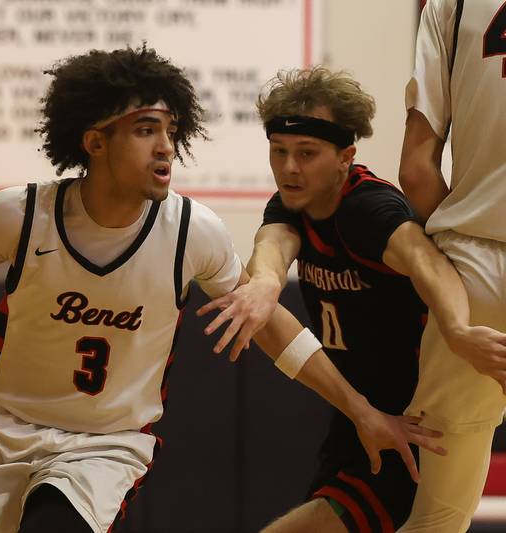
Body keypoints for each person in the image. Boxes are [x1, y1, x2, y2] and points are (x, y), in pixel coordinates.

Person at [0, 46, 440, 533]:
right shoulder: (20, 214)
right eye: (145, 129)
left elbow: (275, 328)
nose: (167, 146)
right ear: (95, 141)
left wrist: (360, 409)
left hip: (101, 445)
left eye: (170, 131)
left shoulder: (194, 231)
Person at [196, 66, 506, 533]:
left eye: (307, 153)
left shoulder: (367, 208)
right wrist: (262, 285)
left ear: (345, 157)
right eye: (278, 152)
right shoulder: (292, 206)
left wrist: (460, 332)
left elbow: (431, 265)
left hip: (411, 421)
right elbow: (273, 247)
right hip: (357, 413)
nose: (289, 167)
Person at [396, 1, 506, 531]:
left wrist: (456, 259)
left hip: (471, 267)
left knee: (439, 516)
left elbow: (416, 171)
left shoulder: (450, 2)